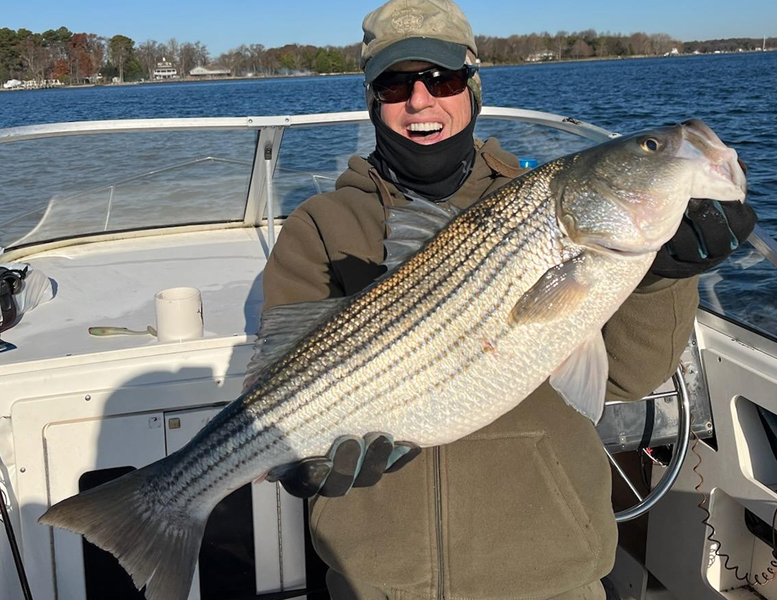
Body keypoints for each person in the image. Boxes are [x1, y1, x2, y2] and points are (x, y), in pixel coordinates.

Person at [261, 0, 758, 598]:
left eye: (441, 79)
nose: (421, 101)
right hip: (377, 584)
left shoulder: (548, 202)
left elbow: (627, 377)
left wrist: (665, 275)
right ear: (373, 101)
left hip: (552, 575)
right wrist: (306, 459)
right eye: (396, 85)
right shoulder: (321, 225)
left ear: (473, 89)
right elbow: (284, 372)